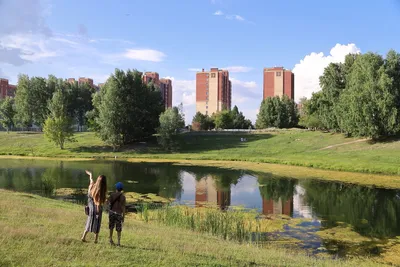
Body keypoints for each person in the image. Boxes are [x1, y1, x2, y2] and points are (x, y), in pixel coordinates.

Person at [81, 170, 107, 243]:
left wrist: (90, 174)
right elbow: (98, 204)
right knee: (97, 223)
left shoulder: (92, 186)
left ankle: (83, 236)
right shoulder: (100, 192)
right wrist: (98, 212)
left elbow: (91, 180)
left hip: (90, 209)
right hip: (96, 209)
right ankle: (96, 239)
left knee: (89, 222)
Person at [108, 182, 126, 246]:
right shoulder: (123, 197)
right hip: (119, 214)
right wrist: (123, 216)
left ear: (116, 188)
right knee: (119, 228)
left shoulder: (112, 195)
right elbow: (123, 208)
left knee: (111, 227)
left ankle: (110, 239)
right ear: (122, 189)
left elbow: (109, 203)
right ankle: (118, 242)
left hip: (112, 213)